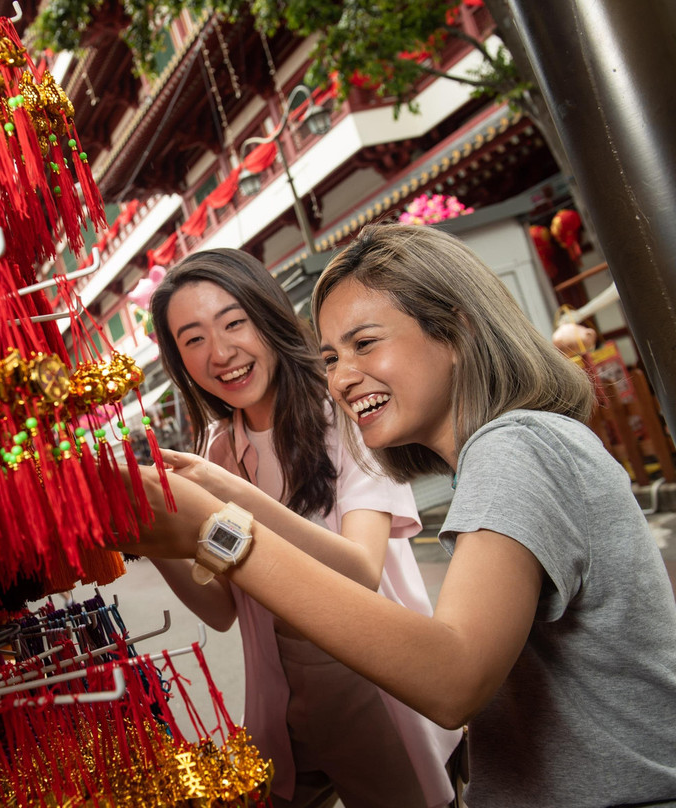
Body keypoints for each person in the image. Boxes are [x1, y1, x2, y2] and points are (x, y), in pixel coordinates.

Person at [121, 225, 676, 807]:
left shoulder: (517, 449)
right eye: (332, 356)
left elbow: (451, 676)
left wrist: (220, 526)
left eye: (365, 343)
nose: (339, 377)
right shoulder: (497, 454)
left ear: (455, 327)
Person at [146, 248, 461, 808]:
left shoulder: (344, 412)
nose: (220, 353)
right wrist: (150, 530)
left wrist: (230, 495)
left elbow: (361, 572)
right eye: (193, 339)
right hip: (281, 695)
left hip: (370, 680)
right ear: (178, 360)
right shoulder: (219, 447)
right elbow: (222, 609)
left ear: (267, 317)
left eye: (233, 322)